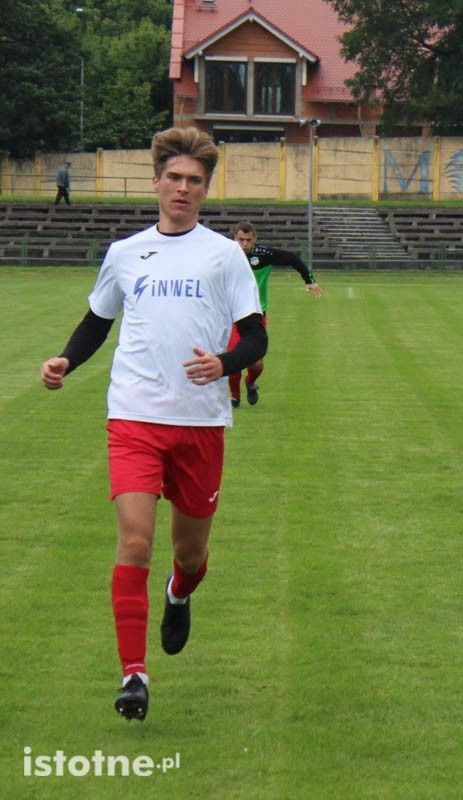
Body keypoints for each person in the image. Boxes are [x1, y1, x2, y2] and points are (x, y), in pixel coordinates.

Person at [40, 127, 266, 720]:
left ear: (205, 190)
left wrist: (225, 362)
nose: (183, 189)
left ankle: (177, 593)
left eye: (194, 181)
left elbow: (257, 334)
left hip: (200, 424)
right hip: (134, 416)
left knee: (190, 555)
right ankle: (134, 676)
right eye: (174, 178)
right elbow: (97, 321)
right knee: (135, 540)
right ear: (156, 183)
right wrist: (67, 357)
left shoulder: (224, 255)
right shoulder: (126, 253)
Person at [227, 221, 322, 408]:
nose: (244, 244)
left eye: (248, 240)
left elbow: (292, 258)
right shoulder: (226, 256)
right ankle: (234, 396)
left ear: (255, 239)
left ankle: (251, 383)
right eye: (240, 240)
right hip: (231, 316)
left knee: (256, 364)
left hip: (256, 316)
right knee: (233, 357)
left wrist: (308, 280)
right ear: (234, 239)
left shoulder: (264, 255)